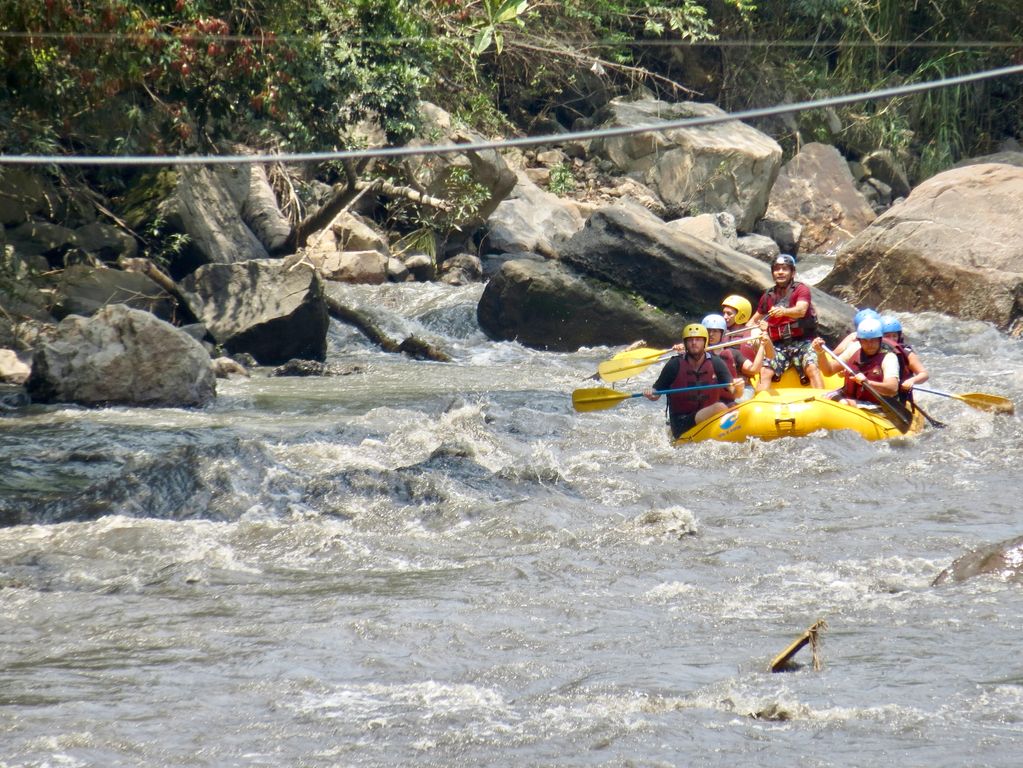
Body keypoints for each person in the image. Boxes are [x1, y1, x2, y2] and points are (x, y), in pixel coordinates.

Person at [644, 323, 741, 438]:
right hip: (681, 423)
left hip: (707, 417)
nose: (694, 343)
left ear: (705, 342)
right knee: (720, 407)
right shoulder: (674, 365)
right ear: (685, 343)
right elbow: (656, 393)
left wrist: (739, 387)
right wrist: (651, 393)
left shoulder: (716, 363)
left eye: (698, 340)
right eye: (690, 340)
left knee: (734, 406)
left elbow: (735, 392)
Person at [748, 254, 824, 391]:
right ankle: (760, 403)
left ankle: (823, 401)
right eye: (777, 269)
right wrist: (757, 329)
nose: (780, 272)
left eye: (785, 269)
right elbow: (753, 321)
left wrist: (784, 311)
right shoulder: (768, 296)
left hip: (803, 341)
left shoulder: (801, 289)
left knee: (812, 367)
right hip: (778, 345)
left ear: (793, 272)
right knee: (765, 372)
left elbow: (801, 310)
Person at [812, 317, 899, 407]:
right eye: (865, 341)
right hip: (849, 396)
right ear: (860, 341)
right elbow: (828, 371)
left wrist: (868, 383)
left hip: (876, 404)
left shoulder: (889, 357)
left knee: (844, 403)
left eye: (873, 340)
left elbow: (892, 388)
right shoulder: (855, 348)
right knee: (820, 400)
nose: (869, 345)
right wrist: (820, 353)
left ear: (880, 339)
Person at [702, 313, 764, 399]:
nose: (711, 334)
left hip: (737, 391)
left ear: (722, 333)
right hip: (711, 393)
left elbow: (753, 369)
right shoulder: (697, 354)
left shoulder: (733, 353)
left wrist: (762, 345)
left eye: (715, 331)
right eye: (708, 331)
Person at [880, 315, 929, 402]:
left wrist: (911, 381)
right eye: (887, 336)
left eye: (894, 336)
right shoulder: (873, 350)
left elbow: (924, 374)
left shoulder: (906, 353)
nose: (891, 339)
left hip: (900, 396)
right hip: (878, 391)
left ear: (899, 336)